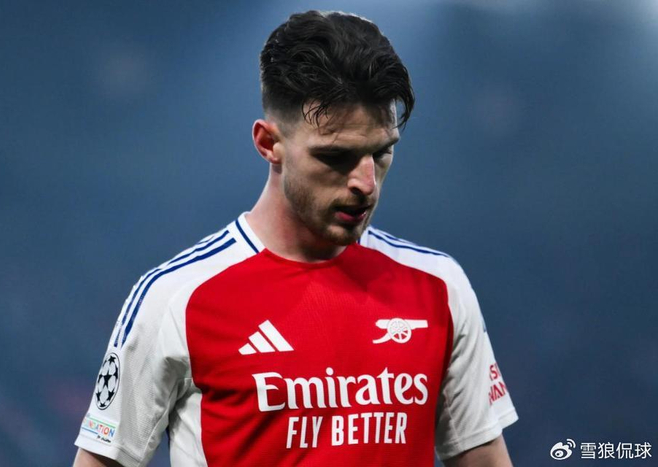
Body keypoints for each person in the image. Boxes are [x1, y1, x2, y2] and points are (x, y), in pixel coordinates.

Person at [73, 10, 517, 467]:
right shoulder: (175, 299)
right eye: (336, 156)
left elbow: (483, 457)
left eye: (382, 152)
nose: (366, 183)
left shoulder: (440, 286)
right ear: (269, 144)